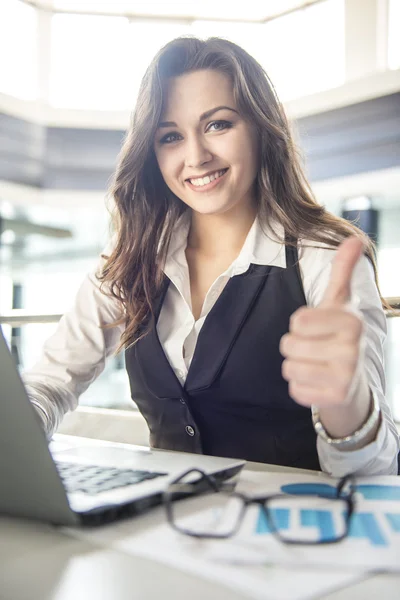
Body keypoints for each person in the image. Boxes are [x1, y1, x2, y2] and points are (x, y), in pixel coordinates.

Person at [23, 36, 399, 476]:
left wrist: (346, 401)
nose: (196, 156)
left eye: (218, 125)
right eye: (170, 136)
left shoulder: (323, 258)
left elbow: (376, 465)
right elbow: (50, 382)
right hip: (168, 530)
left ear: (261, 127)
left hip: (296, 531)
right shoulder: (133, 258)